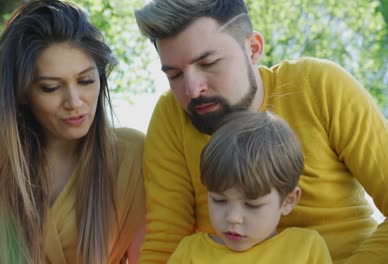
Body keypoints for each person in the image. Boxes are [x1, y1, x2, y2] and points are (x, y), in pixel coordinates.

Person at [134, 0, 388, 263]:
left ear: (253, 48)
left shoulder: (319, 85)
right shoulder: (172, 114)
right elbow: (165, 245)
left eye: (208, 63)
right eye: (174, 75)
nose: (192, 89)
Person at [0, 1, 145, 263]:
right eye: (51, 87)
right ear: (22, 93)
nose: (75, 102)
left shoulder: (133, 154)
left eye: (86, 80)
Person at [168, 111, 332, 263]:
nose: (233, 217)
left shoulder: (305, 248)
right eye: (219, 200)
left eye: (252, 204)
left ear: (288, 201)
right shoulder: (189, 252)